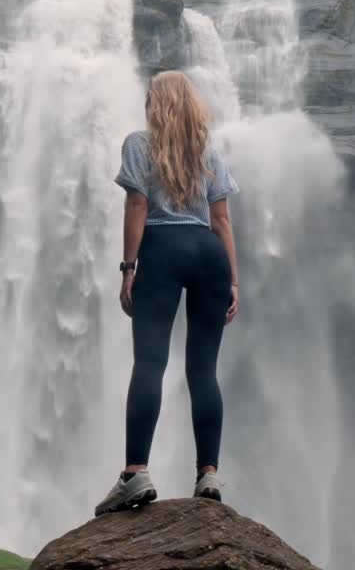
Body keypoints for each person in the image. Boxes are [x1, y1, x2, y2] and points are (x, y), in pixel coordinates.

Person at [94, 70, 241, 517]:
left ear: (155, 104)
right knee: (204, 371)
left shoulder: (139, 144)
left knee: (150, 364)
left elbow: (138, 204)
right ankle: (208, 474)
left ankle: (135, 473)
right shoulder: (208, 151)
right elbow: (222, 220)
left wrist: (128, 268)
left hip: (162, 249)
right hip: (210, 255)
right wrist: (233, 280)